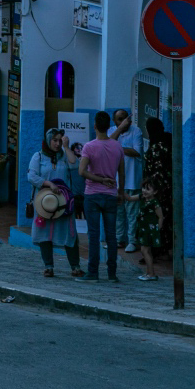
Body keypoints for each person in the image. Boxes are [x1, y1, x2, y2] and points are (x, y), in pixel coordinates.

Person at [28, 129, 84, 277]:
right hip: (44, 203)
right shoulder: (38, 156)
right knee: (44, 234)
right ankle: (48, 266)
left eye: (60, 140)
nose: (57, 143)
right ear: (48, 140)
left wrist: (67, 147)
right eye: (54, 140)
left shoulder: (64, 156)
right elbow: (31, 176)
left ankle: (75, 267)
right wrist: (48, 183)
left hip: (63, 203)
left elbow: (75, 165)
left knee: (69, 234)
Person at [78, 112, 125, 282]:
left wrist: (99, 179)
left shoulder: (89, 147)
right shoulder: (117, 146)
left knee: (94, 235)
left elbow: (82, 171)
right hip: (111, 194)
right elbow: (122, 171)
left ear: (95, 126)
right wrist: (121, 191)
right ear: (109, 125)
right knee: (111, 237)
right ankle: (112, 273)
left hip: (92, 195)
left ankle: (93, 272)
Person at [112, 109, 145, 252]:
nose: (124, 121)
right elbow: (106, 145)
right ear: (115, 121)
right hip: (115, 182)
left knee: (132, 214)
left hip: (132, 179)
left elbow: (137, 152)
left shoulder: (136, 131)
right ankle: (119, 239)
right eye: (120, 119)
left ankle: (132, 240)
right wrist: (118, 131)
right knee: (118, 213)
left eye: (125, 118)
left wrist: (117, 147)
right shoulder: (112, 131)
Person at [143, 116, 173, 252]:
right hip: (168, 186)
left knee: (156, 217)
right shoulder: (168, 141)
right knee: (166, 216)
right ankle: (166, 247)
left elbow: (152, 169)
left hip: (156, 188)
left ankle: (155, 249)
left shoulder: (156, 146)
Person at [127, 180, 166, 281]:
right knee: (146, 251)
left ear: (155, 192)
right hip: (143, 229)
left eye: (148, 189)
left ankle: (151, 274)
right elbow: (130, 198)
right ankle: (149, 273)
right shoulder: (142, 198)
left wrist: (157, 230)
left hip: (150, 230)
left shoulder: (154, 203)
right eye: (144, 188)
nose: (144, 191)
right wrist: (120, 190)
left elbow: (160, 217)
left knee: (145, 251)